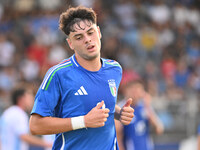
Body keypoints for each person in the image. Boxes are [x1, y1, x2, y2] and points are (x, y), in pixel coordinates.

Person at [29, 6, 134, 150]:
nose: (87, 40)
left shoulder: (114, 69)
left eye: (90, 33)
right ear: (70, 43)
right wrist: (83, 121)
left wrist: (119, 113)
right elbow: (35, 125)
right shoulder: (58, 74)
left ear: (98, 32)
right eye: (79, 37)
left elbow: (100, 102)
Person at [115, 80, 164, 150]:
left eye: (138, 90)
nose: (135, 93)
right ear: (126, 91)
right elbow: (118, 136)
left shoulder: (145, 107)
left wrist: (148, 107)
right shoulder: (120, 108)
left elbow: (159, 129)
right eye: (133, 90)